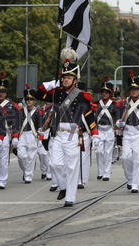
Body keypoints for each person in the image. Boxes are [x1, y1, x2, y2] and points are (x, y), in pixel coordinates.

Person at [36, 48, 100, 207]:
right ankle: (63, 186)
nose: (65, 80)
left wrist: (95, 134)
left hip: (73, 134)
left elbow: (89, 116)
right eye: (63, 77)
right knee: (54, 164)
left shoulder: (82, 96)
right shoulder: (56, 93)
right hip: (58, 133)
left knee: (72, 167)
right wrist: (51, 83)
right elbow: (37, 93)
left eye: (68, 77)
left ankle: (70, 197)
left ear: (75, 80)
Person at [0, 73, 20, 188]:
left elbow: (16, 121)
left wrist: (15, 136)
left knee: (4, 158)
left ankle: (2, 181)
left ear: (6, 93)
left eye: (3, 92)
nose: (1, 94)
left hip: (5, 133)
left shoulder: (11, 106)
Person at [15, 85, 43, 185]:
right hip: (22, 135)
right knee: (21, 155)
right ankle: (26, 170)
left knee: (31, 157)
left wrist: (40, 135)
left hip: (32, 135)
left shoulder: (38, 112)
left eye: (31, 99)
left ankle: (28, 176)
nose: (29, 101)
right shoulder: (21, 111)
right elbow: (17, 123)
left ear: (34, 101)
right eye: (27, 99)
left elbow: (39, 125)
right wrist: (15, 136)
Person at [95, 77, 119, 182]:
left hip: (109, 130)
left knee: (108, 152)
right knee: (99, 152)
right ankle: (100, 171)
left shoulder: (114, 105)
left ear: (110, 94)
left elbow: (117, 116)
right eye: (103, 92)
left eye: (106, 92)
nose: (104, 94)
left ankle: (106, 173)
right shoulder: (96, 104)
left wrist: (117, 124)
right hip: (99, 130)